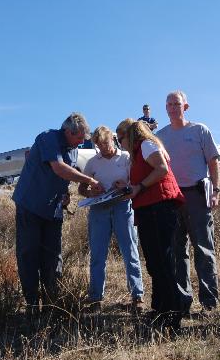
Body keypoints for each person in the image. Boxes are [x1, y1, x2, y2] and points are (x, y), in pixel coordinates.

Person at [13, 112, 102, 322]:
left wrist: (65, 195)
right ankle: (32, 303)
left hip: (52, 211)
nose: (82, 142)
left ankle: (53, 302)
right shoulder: (48, 138)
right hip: (30, 207)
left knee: (53, 257)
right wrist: (89, 180)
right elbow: (59, 169)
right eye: (80, 137)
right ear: (68, 132)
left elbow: (63, 178)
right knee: (29, 255)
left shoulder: (73, 149)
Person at [156, 90, 220, 315]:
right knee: (176, 251)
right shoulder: (160, 136)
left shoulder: (199, 130)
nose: (173, 108)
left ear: (186, 107)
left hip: (197, 195)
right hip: (172, 198)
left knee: (203, 247)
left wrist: (216, 190)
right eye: (169, 104)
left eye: (177, 104)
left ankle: (209, 302)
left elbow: (213, 162)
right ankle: (182, 302)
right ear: (165, 108)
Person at [118, 119, 184, 332]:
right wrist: (130, 187)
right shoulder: (139, 152)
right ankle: (160, 309)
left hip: (159, 208)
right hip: (150, 209)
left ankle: (172, 315)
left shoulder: (146, 145)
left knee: (163, 262)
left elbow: (162, 169)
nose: (120, 143)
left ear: (129, 135)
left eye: (120, 139)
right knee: (155, 262)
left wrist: (138, 187)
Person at [78, 126, 144, 314]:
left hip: (123, 206)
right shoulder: (92, 163)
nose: (103, 148)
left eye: (105, 143)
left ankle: (137, 296)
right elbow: (82, 189)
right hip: (99, 209)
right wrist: (91, 191)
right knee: (98, 254)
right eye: (98, 145)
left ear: (113, 139)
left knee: (129, 251)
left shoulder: (125, 158)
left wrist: (126, 186)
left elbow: (136, 182)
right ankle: (95, 298)